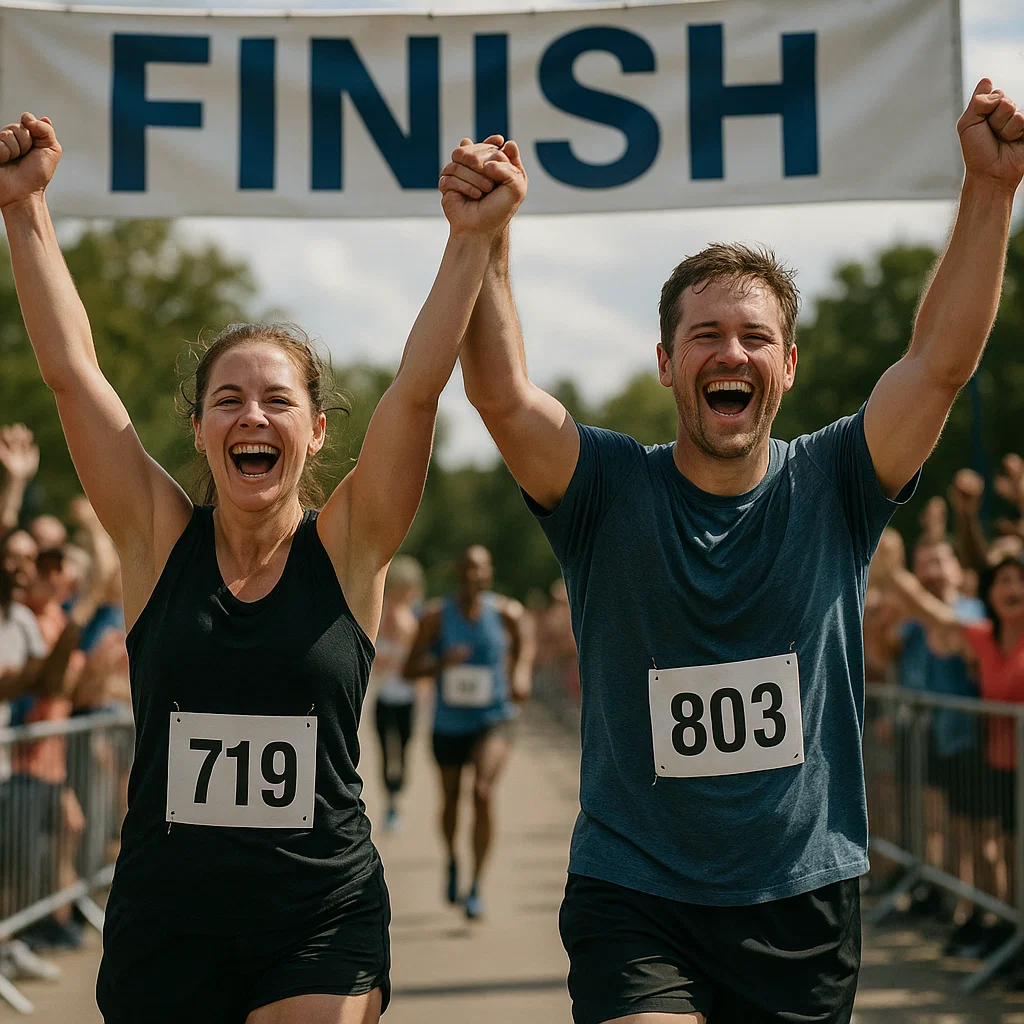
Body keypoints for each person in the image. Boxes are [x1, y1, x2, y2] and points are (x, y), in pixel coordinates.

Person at [438, 78, 1024, 1023]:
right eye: (704, 335)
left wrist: (991, 193)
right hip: (636, 894)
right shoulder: (605, 489)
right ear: (668, 363)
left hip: (800, 900)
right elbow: (503, 398)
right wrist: (486, 241)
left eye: (756, 337)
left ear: (787, 367)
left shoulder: (836, 480)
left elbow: (938, 364)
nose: (731, 354)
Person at [0, 109, 526, 1023]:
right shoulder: (155, 540)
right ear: (199, 428)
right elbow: (74, 376)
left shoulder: (352, 545)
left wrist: (472, 242)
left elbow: (414, 391)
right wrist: (24, 209)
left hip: (319, 917)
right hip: (169, 922)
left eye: (277, 400)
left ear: (316, 430)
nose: (252, 416)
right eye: (228, 399)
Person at [403, 545, 533, 919]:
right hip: (449, 723)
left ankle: (476, 883)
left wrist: (520, 672)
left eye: (481, 569)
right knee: (450, 799)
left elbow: (525, 643)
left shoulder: (506, 613)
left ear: (489, 573)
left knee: (482, 791)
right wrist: (442, 662)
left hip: (494, 717)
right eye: (468, 569)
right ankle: (452, 859)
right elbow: (409, 671)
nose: (474, 576)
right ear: (457, 572)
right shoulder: (435, 617)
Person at [370, 555, 425, 831]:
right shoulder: (378, 617)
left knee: (402, 753)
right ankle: (390, 801)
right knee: (385, 753)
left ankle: (397, 799)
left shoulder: (415, 621)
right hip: (384, 698)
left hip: (407, 700)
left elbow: (419, 665)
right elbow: (374, 664)